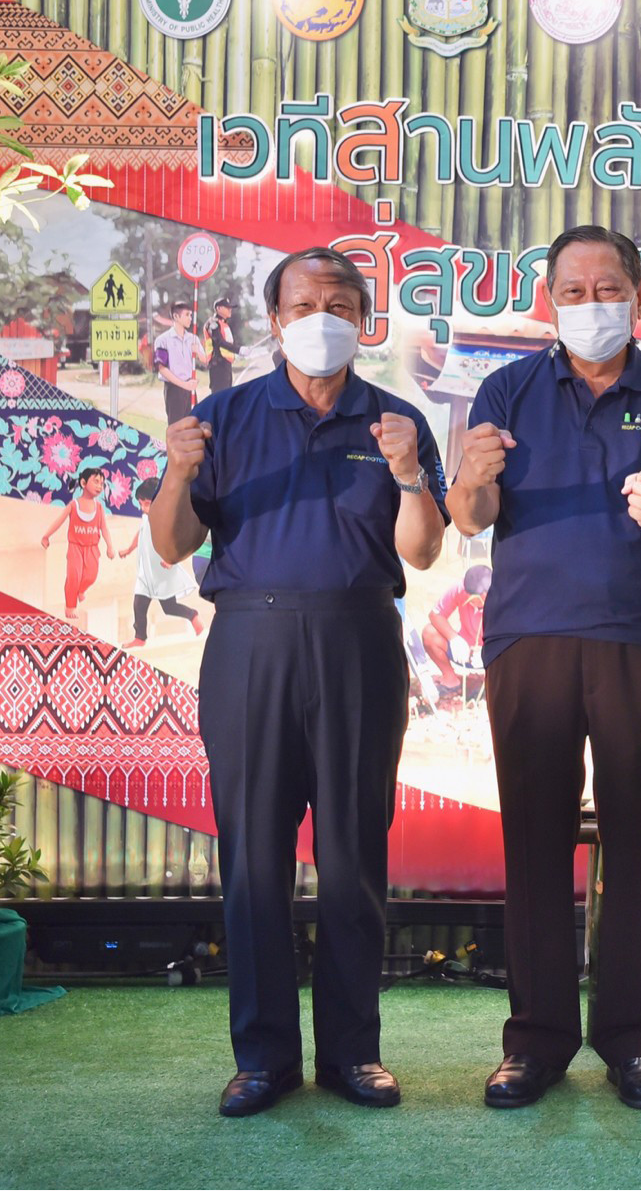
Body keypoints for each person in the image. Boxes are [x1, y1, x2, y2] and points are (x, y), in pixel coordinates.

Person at [148, 246, 449, 1117]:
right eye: (304, 303)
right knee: (253, 860)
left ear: (364, 321)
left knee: (354, 854)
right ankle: (263, 1057)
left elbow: (423, 551)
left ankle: (355, 1053)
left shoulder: (397, 420)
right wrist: (176, 470)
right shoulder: (224, 417)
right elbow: (171, 546)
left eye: (341, 305)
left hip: (359, 637)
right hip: (251, 643)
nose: (323, 318)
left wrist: (404, 477)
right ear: (275, 320)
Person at [447, 225, 641, 1113]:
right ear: (545, 299)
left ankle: (636, 1041)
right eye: (574, 289)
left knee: (640, 840)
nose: (592, 303)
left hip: (639, 635)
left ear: (640, 295)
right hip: (529, 637)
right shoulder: (506, 388)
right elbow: (470, 515)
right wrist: (470, 477)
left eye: (609, 288)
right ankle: (537, 1042)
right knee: (534, 840)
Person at [121, 478, 203, 647]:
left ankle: (192, 615)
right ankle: (140, 637)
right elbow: (141, 534)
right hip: (147, 572)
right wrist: (129, 549)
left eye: (147, 503)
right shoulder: (146, 518)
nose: (144, 508)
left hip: (162, 570)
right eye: (141, 504)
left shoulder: (166, 520)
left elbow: (177, 541)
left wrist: (171, 560)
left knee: (169, 607)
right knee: (139, 604)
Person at [40, 466, 116, 620]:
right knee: (74, 576)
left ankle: (81, 590)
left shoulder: (99, 507)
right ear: (83, 483)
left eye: (101, 483)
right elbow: (59, 521)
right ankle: (70, 605)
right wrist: (46, 536)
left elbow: (104, 528)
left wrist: (109, 546)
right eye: (95, 482)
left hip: (92, 549)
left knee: (91, 576)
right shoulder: (74, 505)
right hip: (75, 547)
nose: (99, 486)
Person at [420, 564, 490, 709]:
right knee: (429, 633)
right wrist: (454, 638)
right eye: (471, 597)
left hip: (491, 652)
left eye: (480, 597)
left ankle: (492, 686)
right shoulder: (460, 589)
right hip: (464, 651)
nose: (475, 600)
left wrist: (488, 652)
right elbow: (435, 614)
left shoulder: (503, 595)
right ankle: (451, 680)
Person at [155, 301, 206, 422]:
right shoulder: (163, 340)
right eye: (187, 315)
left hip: (190, 388)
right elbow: (162, 369)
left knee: (192, 426)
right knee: (176, 428)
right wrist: (184, 385)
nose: (190, 318)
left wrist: (197, 351)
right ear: (176, 317)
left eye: (191, 315)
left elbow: (205, 360)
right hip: (174, 389)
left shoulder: (193, 338)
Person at [205, 298, 242, 396]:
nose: (230, 310)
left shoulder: (223, 324)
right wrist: (239, 350)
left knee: (227, 398)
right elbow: (219, 342)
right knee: (219, 398)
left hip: (226, 365)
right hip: (217, 365)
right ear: (218, 308)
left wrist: (235, 355)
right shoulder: (213, 323)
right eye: (227, 308)